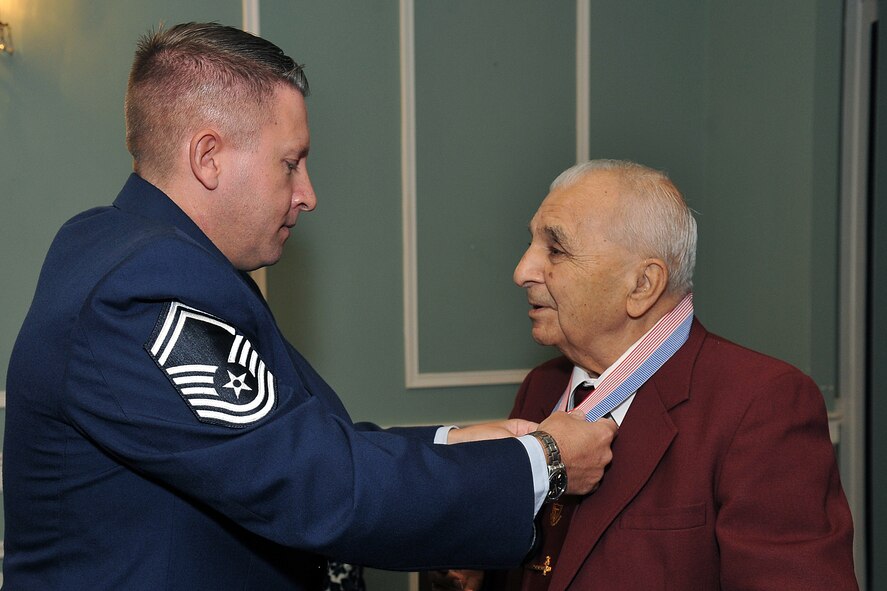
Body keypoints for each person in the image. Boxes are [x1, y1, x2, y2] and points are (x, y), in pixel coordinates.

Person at [1, 23, 618, 590]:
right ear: (208, 157)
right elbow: (312, 485)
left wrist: (452, 441)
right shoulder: (146, 287)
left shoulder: (126, 249)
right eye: (290, 163)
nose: (308, 194)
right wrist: (543, 463)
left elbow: (287, 442)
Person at [433, 160, 858, 590]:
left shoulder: (760, 404)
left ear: (642, 285)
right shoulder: (542, 388)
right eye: (531, 244)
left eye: (556, 250)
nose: (522, 271)